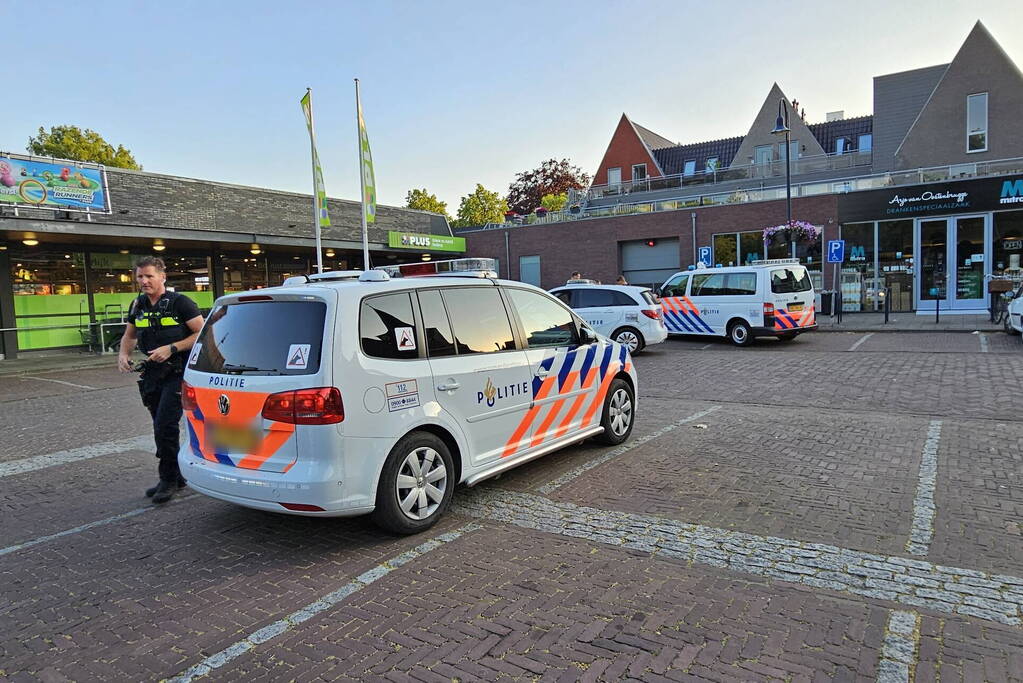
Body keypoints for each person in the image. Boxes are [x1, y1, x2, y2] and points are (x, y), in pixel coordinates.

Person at [118, 257, 204, 504]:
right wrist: (123, 354)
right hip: (153, 374)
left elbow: (203, 332)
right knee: (160, 424)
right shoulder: (138, 305)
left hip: (178, 372)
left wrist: (172, 348)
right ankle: (176, 475)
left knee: (164, 426)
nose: (144, 281)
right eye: (140, 277)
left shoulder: (180, 303)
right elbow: (130, 335)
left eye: (149, 276)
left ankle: (167, 479)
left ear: (162, 277)